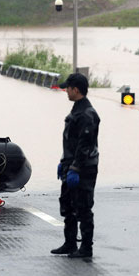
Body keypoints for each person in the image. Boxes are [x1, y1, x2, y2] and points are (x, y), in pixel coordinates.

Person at [51, 73, 100, 259]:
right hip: (70, 165)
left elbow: (85, 145)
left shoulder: (88, 114)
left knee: (83, 207)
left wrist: (76, 168)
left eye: (68, 88)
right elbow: (71, 143)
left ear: (76, 89)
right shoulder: (76, 110)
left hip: (83, 169)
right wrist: (63, 161)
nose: (66, 91)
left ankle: (86, 248)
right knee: (67, 206)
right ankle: (70, 243)